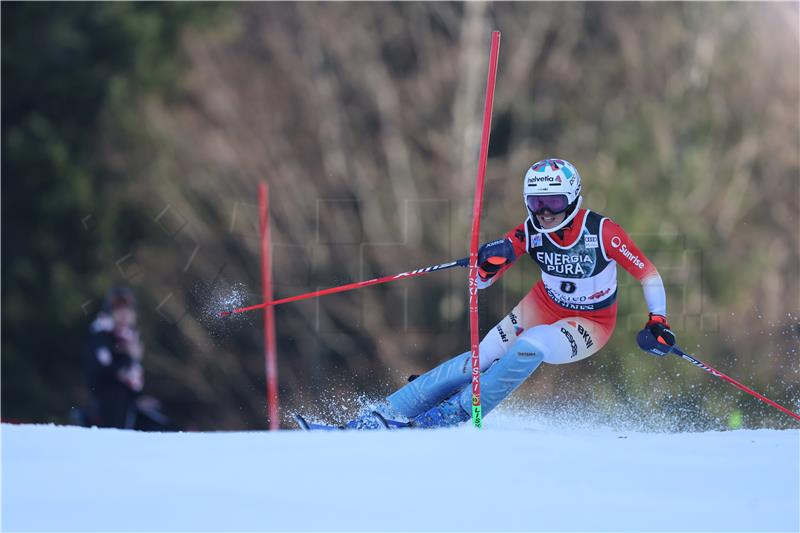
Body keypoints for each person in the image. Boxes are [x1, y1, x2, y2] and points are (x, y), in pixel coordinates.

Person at [345, 158, 676, 429]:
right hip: (544, 304)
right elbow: (480, 282)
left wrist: (657, 320)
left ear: (573, 199)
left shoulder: (602, 232)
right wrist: (487, 265)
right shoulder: (531, 230)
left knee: (532, 345)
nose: (545, 213)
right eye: (537, 203)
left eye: (555, 202)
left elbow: (648, 274)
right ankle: (391, 409)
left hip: (590, 321)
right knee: (483, 355)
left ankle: (451, 415)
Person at [82, 286, 145, 429]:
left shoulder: (130, 337)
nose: (124, 314)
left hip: (127, 401)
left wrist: (134, 358)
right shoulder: (101, 334)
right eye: (119, 309)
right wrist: (128, 359)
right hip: (106, 399)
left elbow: (136, 378)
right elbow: (102, 367)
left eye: (127, 309)